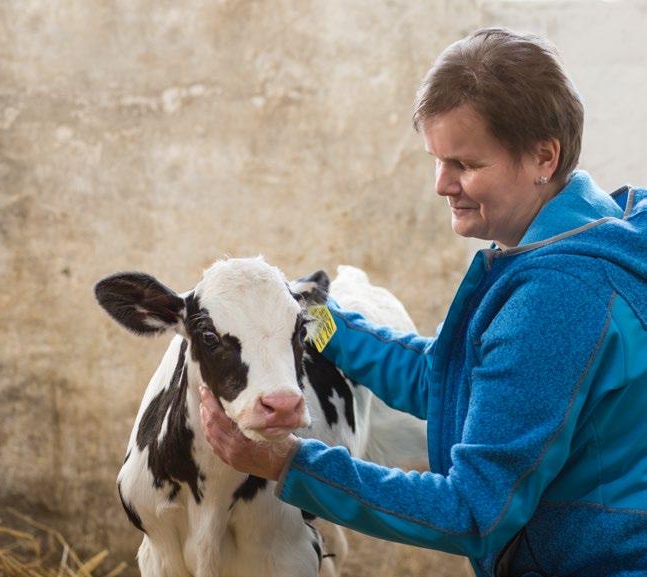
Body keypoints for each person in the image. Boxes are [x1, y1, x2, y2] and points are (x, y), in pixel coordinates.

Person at [198, 27, 647, 576]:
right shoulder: (614, 230)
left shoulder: (557, 300)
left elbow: (472, 512)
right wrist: (320, 325)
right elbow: (465, 383)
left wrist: (290, 463)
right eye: (437, 159)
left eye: (465, 164)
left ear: (543, 158)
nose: (441, 184)